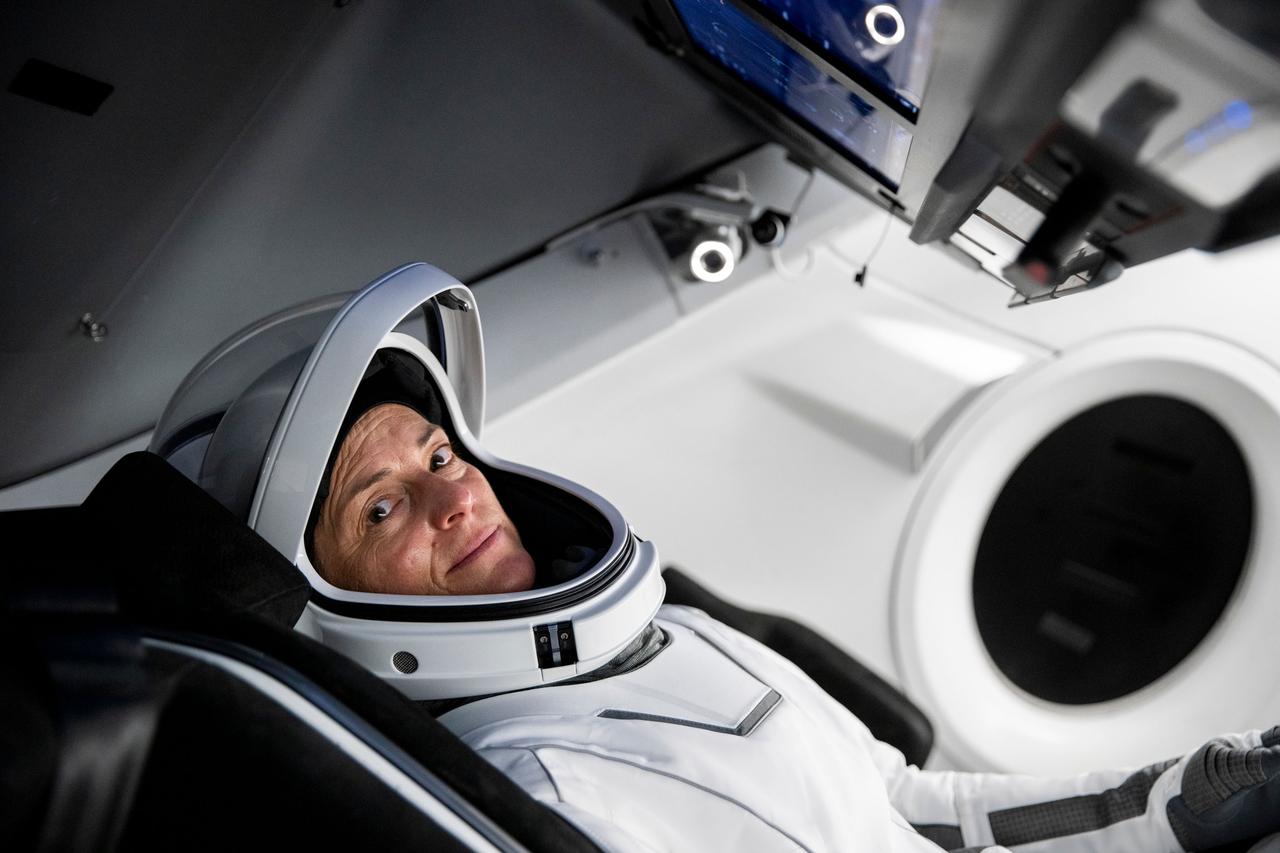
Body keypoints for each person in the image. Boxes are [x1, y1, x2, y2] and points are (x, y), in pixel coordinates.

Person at [156, 263, 1280, 852]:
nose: (455, 494)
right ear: (332, 595)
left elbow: (911, 808)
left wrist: (1179, 801)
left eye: (440, 451)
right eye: (382, 507)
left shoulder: (666, 628)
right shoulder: (535, 786)